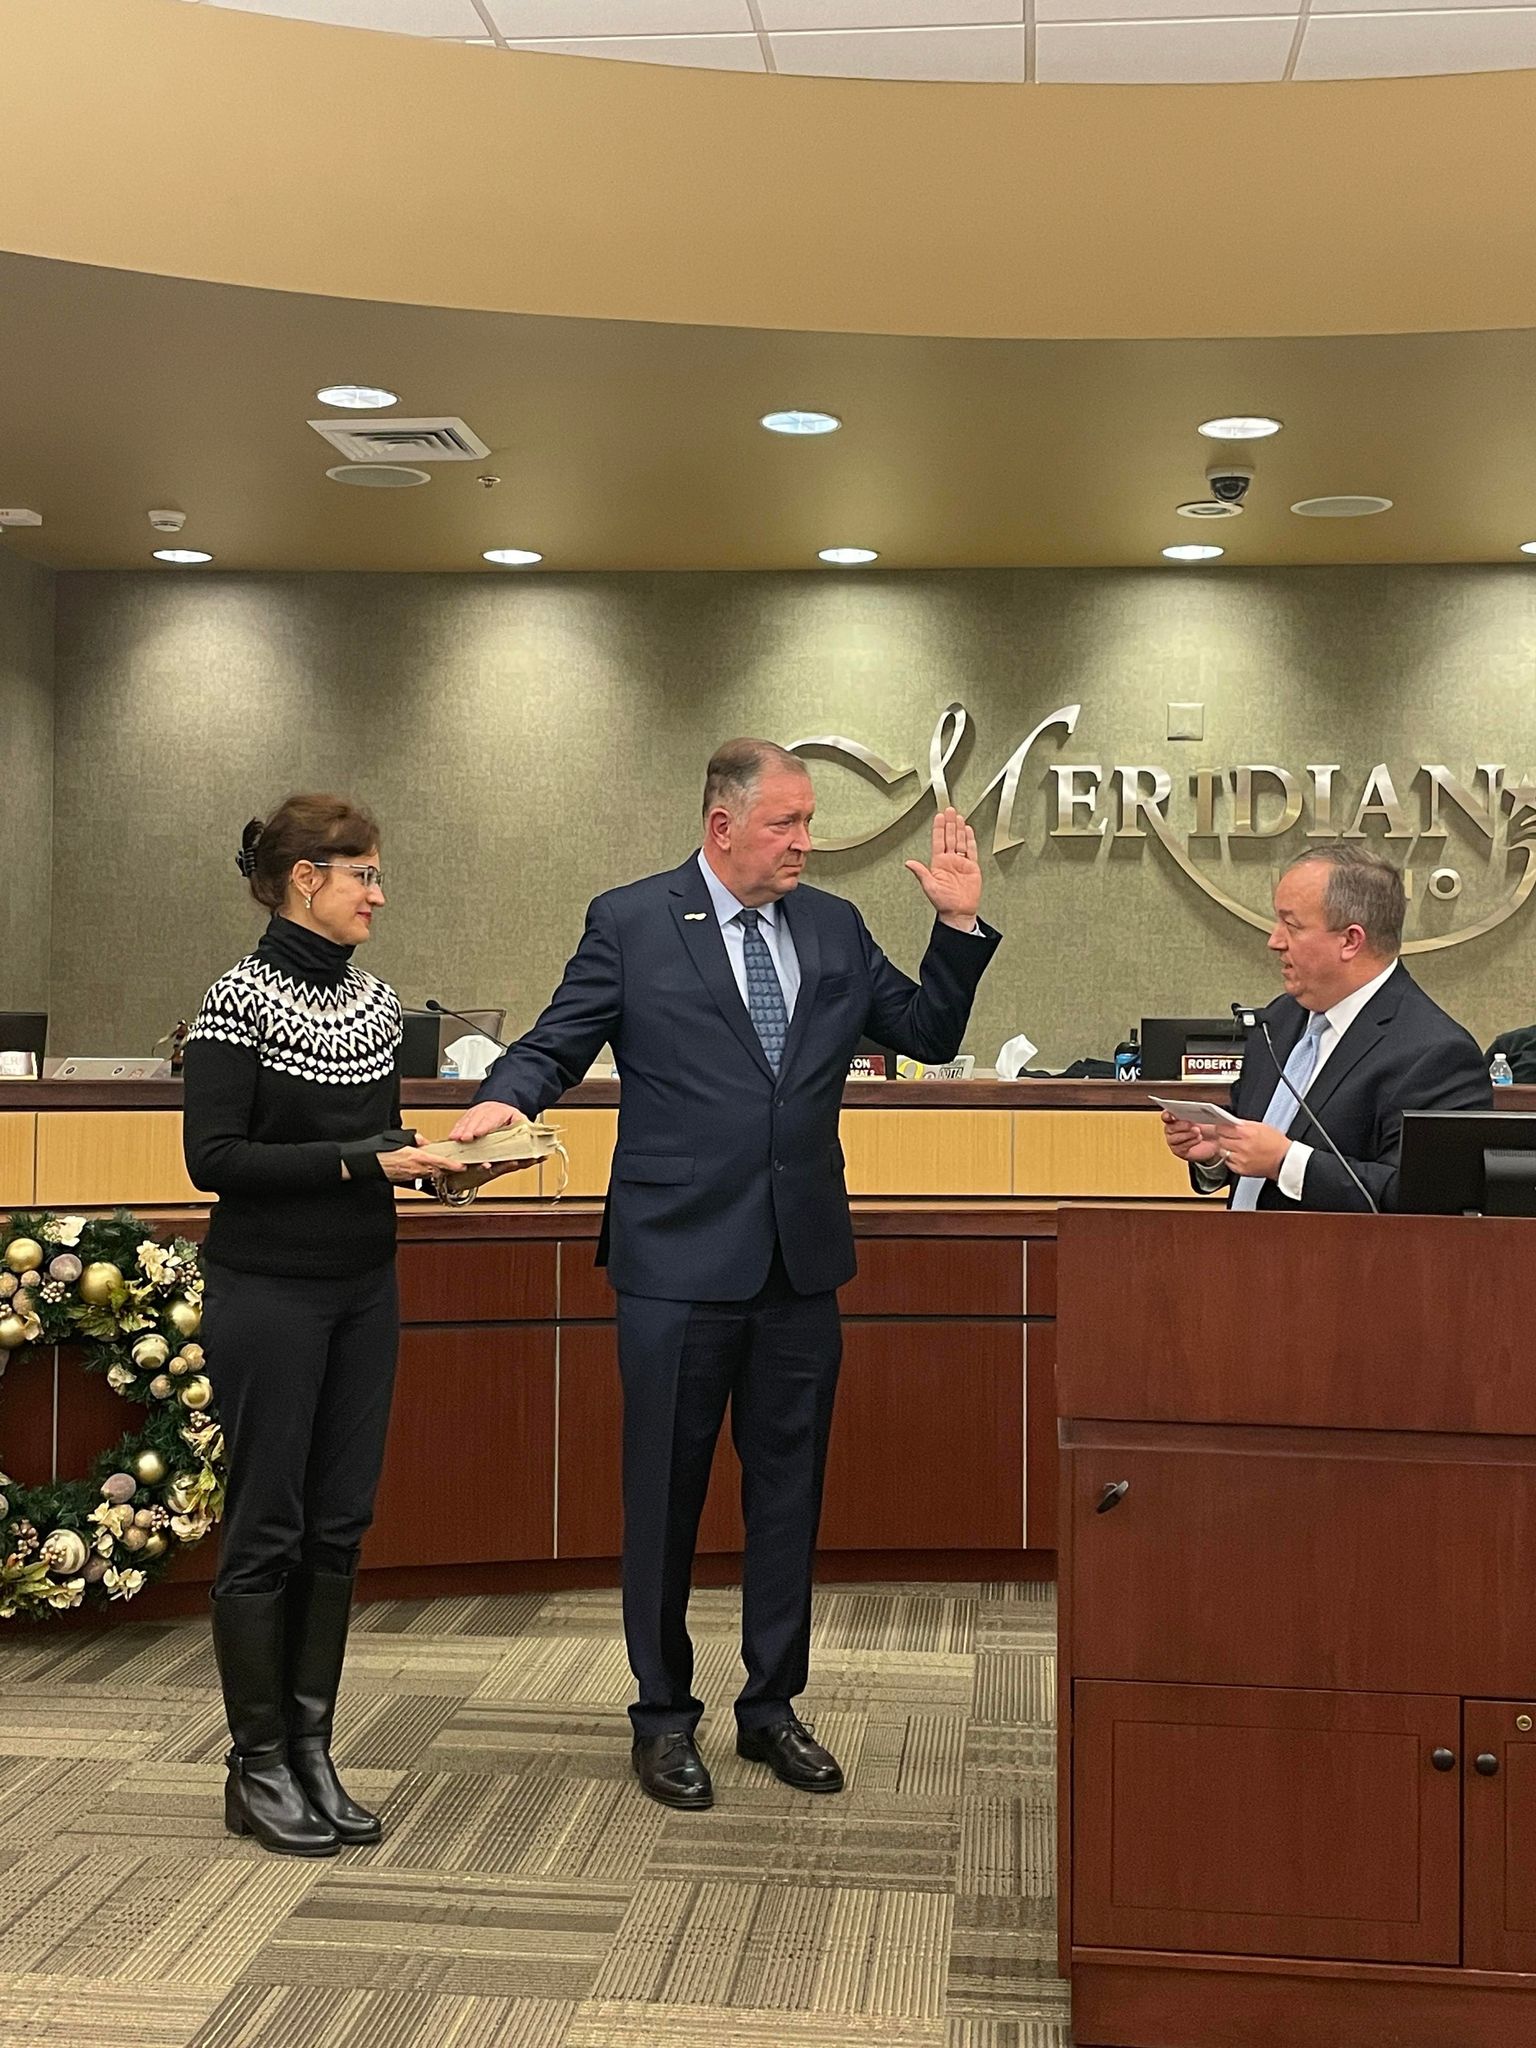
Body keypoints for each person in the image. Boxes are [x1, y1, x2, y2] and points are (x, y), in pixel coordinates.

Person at [450, 739, 1000, 1810]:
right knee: (663, 1491)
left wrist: (959, 925)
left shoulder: (833, 924)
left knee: (787, 1492)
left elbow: (928, 1033)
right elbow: (560, 1039)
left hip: (800, 1260)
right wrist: (508, 1097)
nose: (807, 841)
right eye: (788, 823)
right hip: (674, 1257)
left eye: (809, 823)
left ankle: (771, 1705)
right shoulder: (633, 918)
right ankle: (662, 1714)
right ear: (721, 826)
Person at [183, 796, 451, 1857]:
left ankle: (311, 1746)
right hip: (267, 1291)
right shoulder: (234, 1001)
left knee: (340, 1525)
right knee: (269, 1529)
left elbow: (373, 1134)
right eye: (364, 875)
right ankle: (255, 1765)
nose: (378, 894)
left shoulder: (377, 1002)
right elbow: (216, 1160)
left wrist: (438, 1173)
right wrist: (361, 1162)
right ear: (305, 877)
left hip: (362, 1287)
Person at [1161, 842, 1490, 1211]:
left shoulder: (1436, 1053)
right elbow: (1255, 1153)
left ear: (1350, 940)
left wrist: (1286, 1162)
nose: (1274, 941)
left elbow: (1423, 1200)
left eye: (1292, 925)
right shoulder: (1278, 1021)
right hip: (1244, 1258)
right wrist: (1218, 1152)